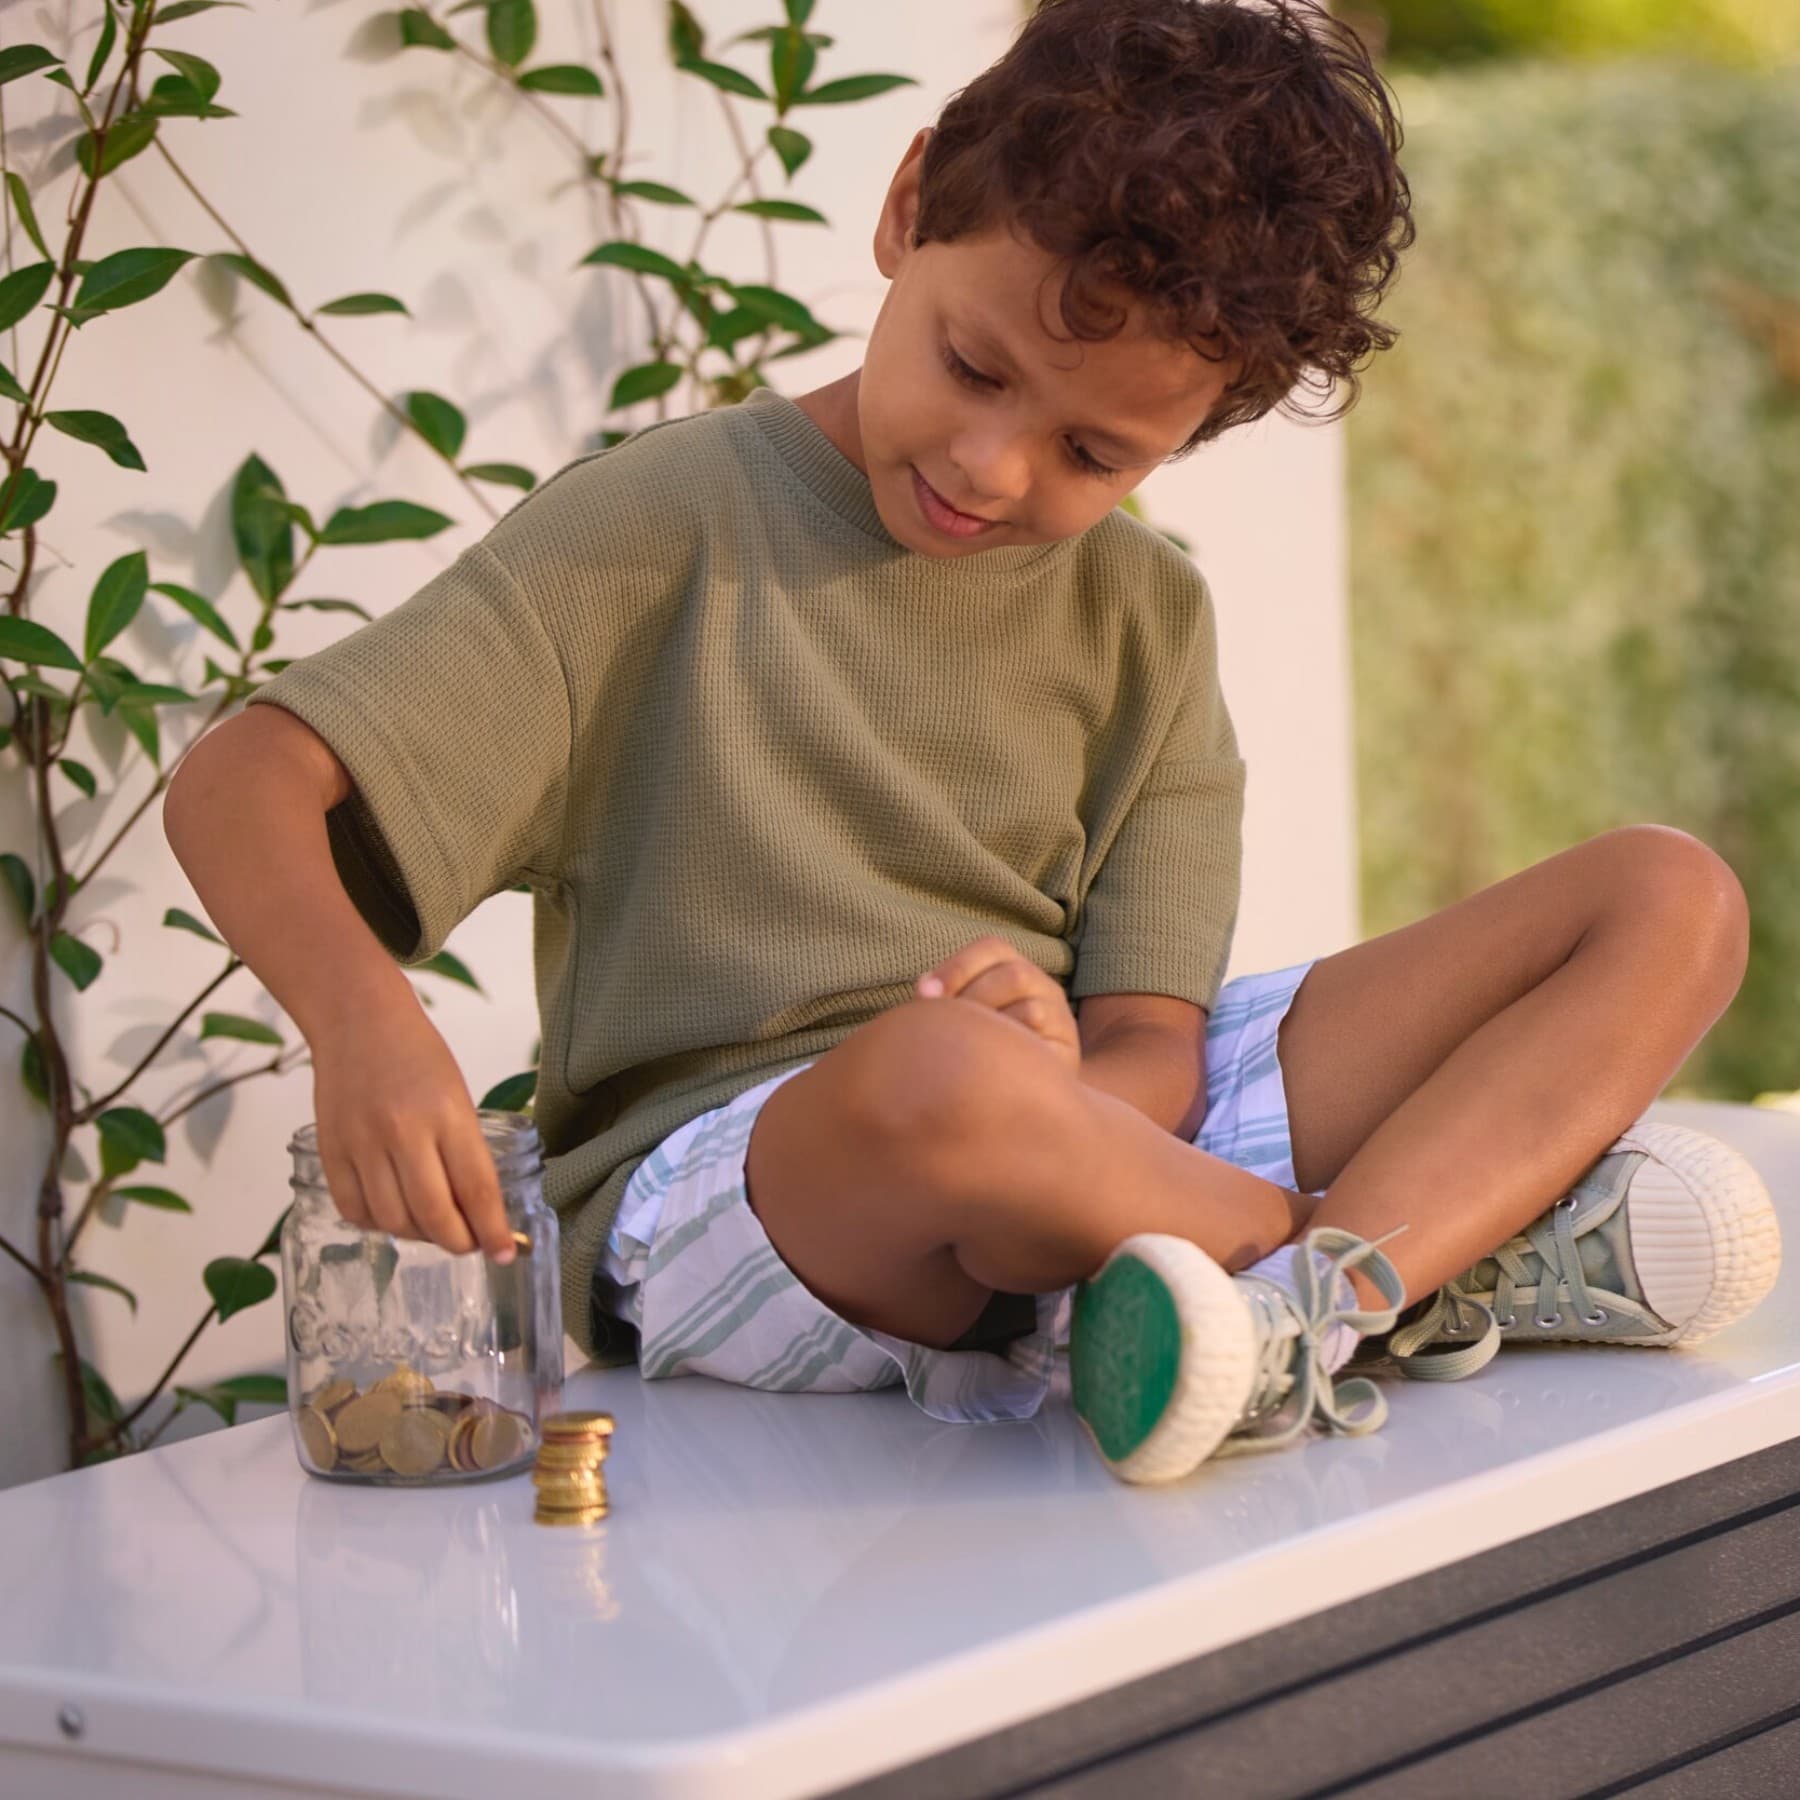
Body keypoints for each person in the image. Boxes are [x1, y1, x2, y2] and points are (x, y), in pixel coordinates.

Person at [163, 0, 1780, 1487]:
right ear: (907, 202)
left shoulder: (1145, 620)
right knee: (945, 1083)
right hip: (747, 1206)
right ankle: (1387, 1274)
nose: (995, 469)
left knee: (1669, 897)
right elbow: (244, 782)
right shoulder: (660, 530)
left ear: (1191, 434)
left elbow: (1155, 1048)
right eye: (972, 365)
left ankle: (1278, 1312)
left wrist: (1068, 1070)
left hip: (1079, 1156)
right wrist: (370, 1028)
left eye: (1092, 449)